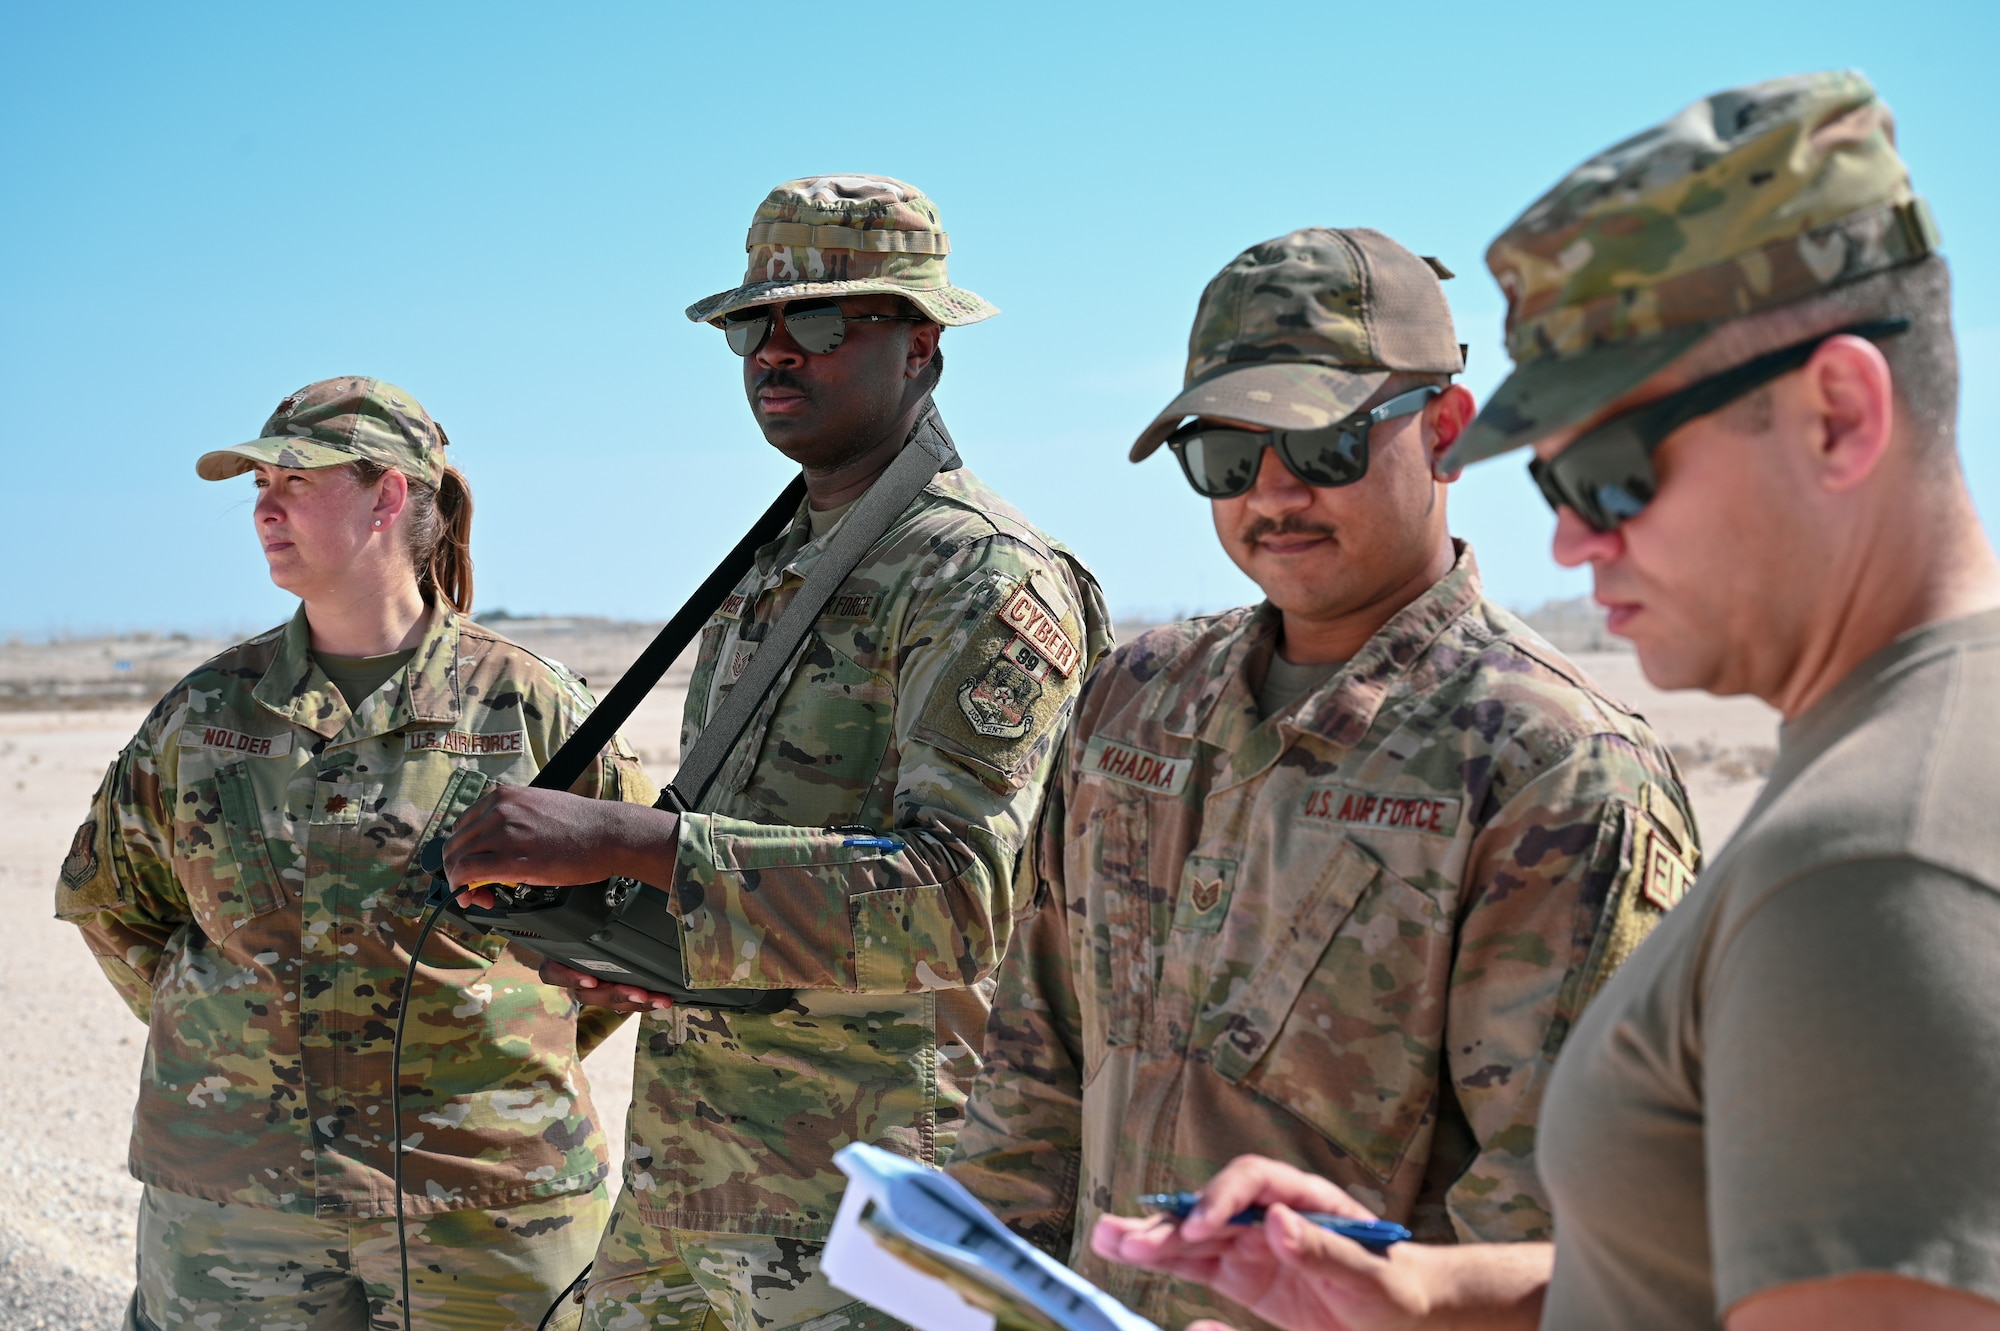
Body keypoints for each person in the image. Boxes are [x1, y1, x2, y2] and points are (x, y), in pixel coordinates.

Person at [1091, 70, 2000, 1331]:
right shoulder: (1892, 770)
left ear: (1837, 414)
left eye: (1613, 472)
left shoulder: (1875, 860)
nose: (1569, 541)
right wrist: (1408, 1294)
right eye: (1554, 480)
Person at [944, 227, 1698, 1331]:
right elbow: (1028, 1080)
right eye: (1226, 456)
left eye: (1325, 446)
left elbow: (1561, 1225)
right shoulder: (1128, 703)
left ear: (1445, 432)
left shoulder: (1550, 769)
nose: (1274, 492)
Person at [438, 175, 1113, 1331]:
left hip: (866, 1212)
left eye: (816, 321)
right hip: (691, 1189)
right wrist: (638, 932)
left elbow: (958, 895)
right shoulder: (785, 555)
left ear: (920, 344)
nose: (773, 354)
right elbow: (759, 852)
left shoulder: (978, 576)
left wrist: (625, 839)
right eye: (752, 326)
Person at [56, 377, 658, 1331]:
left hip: (483, 1205)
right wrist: (247, 1037)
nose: (263, 504)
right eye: (257, 480)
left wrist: (498, 1037)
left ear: (387, 498)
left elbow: (636, 928)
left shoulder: (532, 711)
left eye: (295, 477)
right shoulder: (205, 714)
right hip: (235, 1207)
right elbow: (115, 906)